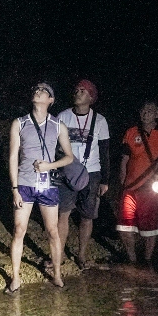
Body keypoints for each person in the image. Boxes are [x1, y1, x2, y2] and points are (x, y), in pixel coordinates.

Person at [7, 82, 75, 292]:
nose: (38, 92)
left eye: (44, 91)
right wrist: (14, 188)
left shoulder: (58, 125)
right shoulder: (19, 123)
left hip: (47, 184)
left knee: (52, 230)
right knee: (19, 230)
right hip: (25, 183)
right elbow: (12, 156)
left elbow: (69, 157)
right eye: (36, 90)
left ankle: (56, 274)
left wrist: (49, 165)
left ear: (51, 101)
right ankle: (15, 278)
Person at [117, 101, 158, 267]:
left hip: (151, 187)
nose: (146, 113)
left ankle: (147, 261)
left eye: (150, 110)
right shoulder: (131, 132)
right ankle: (132, 260)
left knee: (150, 228)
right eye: (143, 110)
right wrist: (122, 179)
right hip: (130, 186)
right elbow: (124, 158)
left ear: (157, 114)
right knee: (124, 226)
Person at [55, 79, 110, 269]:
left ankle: (82, 255)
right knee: (63, 213)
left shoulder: (100, 121)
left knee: (87, 216)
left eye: (83, 91)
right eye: (77, 90)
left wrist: (105, 180)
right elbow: (54, 145)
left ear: (91, 97)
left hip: (92, 172)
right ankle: (59, 255)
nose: (78, 93)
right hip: (67, 171)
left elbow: (104, 151)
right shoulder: (63, 116)